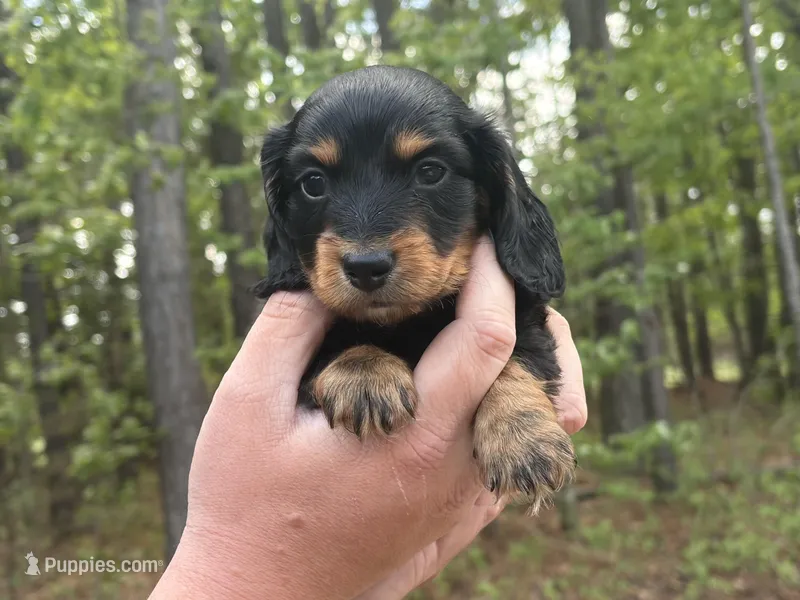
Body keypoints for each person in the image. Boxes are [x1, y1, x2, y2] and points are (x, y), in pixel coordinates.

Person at [148, 239, 587, 600]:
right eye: (316, 183)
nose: (366, 248)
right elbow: (296, 381)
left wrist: (513, 399)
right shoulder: (310, 314)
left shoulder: (489, 292)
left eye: (430, 172)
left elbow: (530, 333)